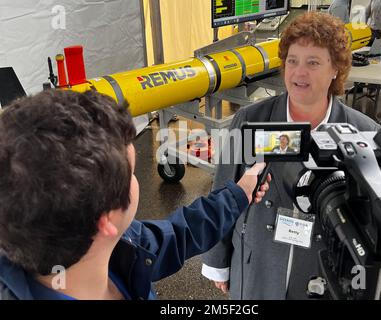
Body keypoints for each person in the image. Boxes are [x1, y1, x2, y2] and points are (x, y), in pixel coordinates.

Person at [0, 90, 271, 300]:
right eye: (131, 173)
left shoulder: (119, 245)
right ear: (106, 219)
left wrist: (238, 193)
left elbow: (178, 234)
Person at [201, 12, 381, 299]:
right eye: (293, 61)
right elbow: (224, 191)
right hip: (256, 265)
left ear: (335, 69)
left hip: (322, 273)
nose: (299, 73)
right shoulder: (251, 120)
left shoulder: (363, 133)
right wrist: (217, 262)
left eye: (313, 63)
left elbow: (375, 222)